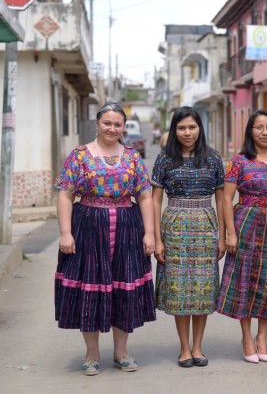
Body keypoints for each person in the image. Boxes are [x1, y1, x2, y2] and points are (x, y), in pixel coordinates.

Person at [54, 102, 155, 376]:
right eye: (107, 123)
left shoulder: (133, 157)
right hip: (88, 226)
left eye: (118, 124)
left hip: (127, 227)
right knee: (90, 286)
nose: (112, 129)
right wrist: (65, 233)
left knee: (124, 287)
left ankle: (121, 352)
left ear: (123, 127)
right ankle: (92, 354)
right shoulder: (79, 155)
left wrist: (149, 233)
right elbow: (65, 193)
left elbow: (144, 195)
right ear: (97, 124)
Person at [217, 110, 267, 363]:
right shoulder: (239, 161)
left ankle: (263, 336)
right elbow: (227, 199)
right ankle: (247, 336)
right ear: (251, 131)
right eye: (259, 127)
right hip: (245, 223)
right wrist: (230, 232)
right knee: (245, 282)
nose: (264, 132)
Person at [151, 106, 226, 368]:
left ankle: (198, 346)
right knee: (180, 289)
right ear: (174, 130)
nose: (187, 132)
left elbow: (221, 198)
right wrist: (158, 239)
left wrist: (222, 236)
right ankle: (184, 348)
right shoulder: (164, 159)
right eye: (181, 128)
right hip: (175, 226)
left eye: (192, 127)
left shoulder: (213, 159)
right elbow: (155, 199)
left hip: (206, 226)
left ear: (199, 129)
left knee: (202, 290)